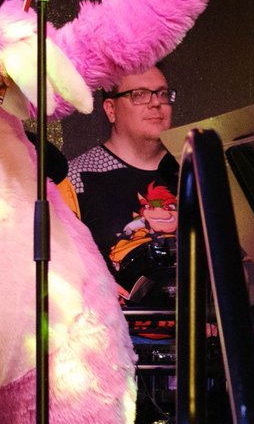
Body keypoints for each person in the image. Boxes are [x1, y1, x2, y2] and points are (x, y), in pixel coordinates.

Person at [66, 65, 179, 305]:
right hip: (116, 335)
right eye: (139, 95)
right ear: (111, 109)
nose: (156, 103)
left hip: (196, 335)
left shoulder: (194, 173)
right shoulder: (76, 177)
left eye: (162, 94)